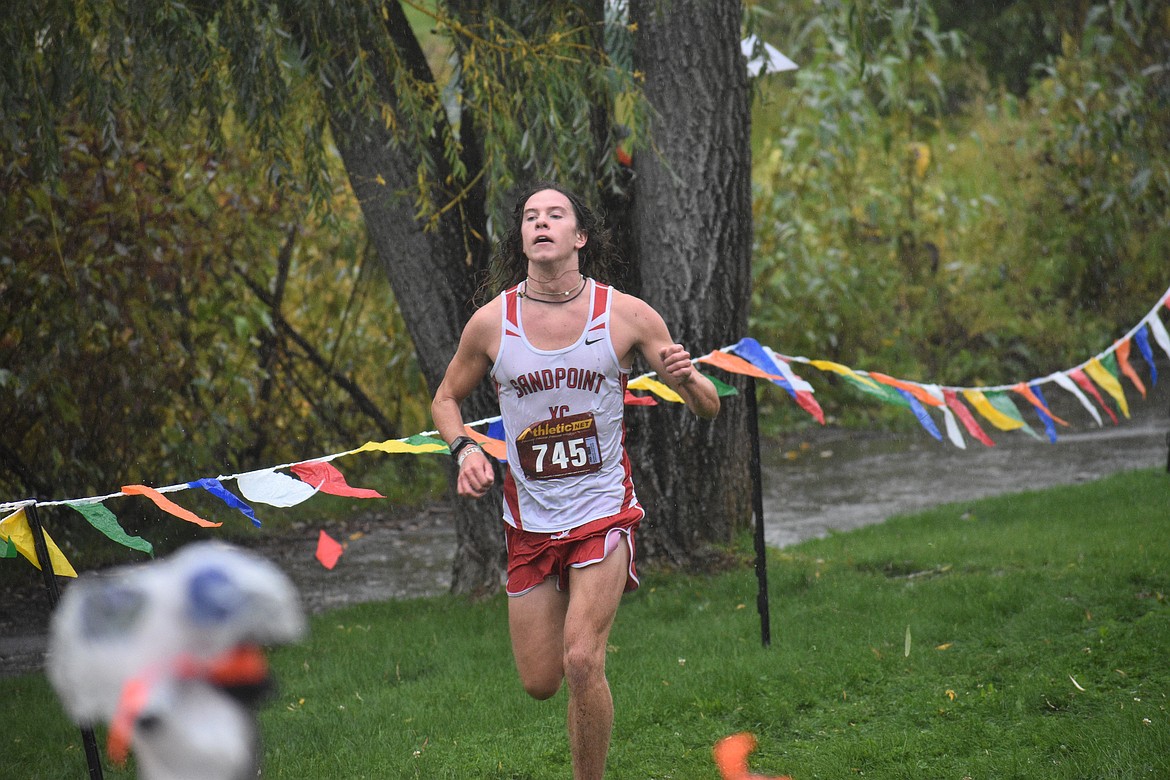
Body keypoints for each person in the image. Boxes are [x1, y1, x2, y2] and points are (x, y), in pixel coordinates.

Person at [430, 183, 720, 779]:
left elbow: (709, 407)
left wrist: (688, 379)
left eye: (555, 214)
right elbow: (444, 400)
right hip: (530, 522)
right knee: (542, 681)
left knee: (584, 659)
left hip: (603, 510)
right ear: (522, 239)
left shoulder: (627, 315)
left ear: (579, 236)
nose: (541, 223)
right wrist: (465, 451)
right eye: (531, 216)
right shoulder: (492, 323)